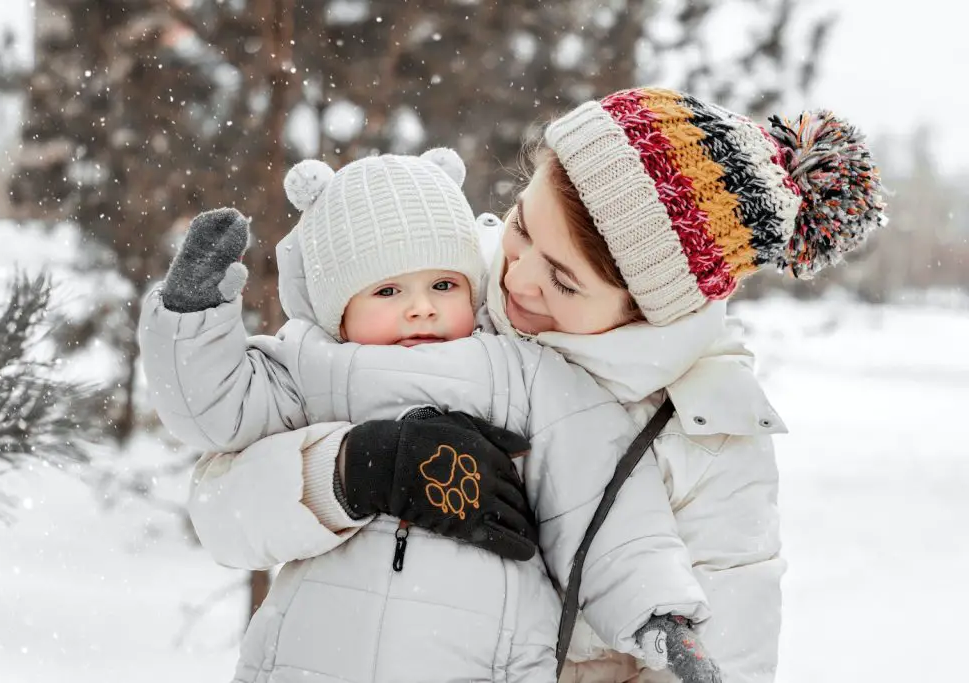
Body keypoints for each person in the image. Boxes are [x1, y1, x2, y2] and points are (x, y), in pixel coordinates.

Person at [171, 87, 885, 682]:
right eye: (521, 229)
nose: (517, 277)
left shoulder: (713, 446)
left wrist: (664, 621)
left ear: (648, 311)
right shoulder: (435, 295)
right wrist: (354, 470)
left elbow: (718, 652)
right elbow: (218, 512)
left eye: (564, 279)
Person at [139, 148, 719, 683]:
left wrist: (656, 611)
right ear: (337, 310)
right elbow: (214, 410)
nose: (420, 307)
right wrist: (193, 314)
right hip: (312, 657)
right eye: (387, 291)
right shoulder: (310, 367)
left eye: (443, 284)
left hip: (484, 660)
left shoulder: (523, 372)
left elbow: (600, 500)